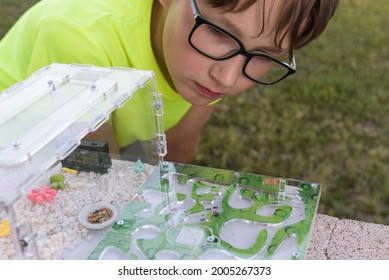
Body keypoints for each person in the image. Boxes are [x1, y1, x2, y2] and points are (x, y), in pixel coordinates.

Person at [0, 0, 339, 163]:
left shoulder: (210, 62)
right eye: (219, 33)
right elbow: (95, 174)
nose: (228, 77)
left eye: (263, 55)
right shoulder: (77, 37)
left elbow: (177, 150)